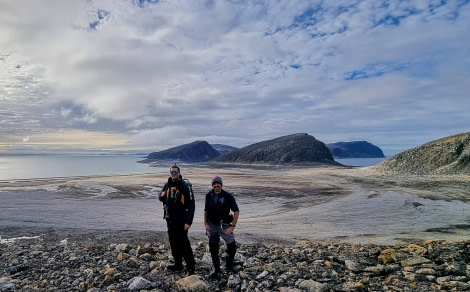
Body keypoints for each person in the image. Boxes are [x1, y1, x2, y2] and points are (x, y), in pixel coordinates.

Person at [158, 164, 196, 275]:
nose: (173, 173)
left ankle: (191, 267)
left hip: (181, 220)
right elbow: (160, 197)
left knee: (184, 243)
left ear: (179, 173)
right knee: (173, 243)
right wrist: (161, 195)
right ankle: (178, 264)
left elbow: (191, 205)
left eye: (175, 171)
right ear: (170, 172)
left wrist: (188, 221)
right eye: (172, 171)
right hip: (170, 220)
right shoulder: (167, 184)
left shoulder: (185, 185)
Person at [204, 176, 240, 279]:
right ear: (212, 185)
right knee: (213, 247)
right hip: (212, 225)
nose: (216, 185)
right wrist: (205, 224)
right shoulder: (208, 195)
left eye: (218, 183)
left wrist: (233, 226)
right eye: (214, 184)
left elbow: (236, 211)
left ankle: (229, 265)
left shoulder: (228, 196)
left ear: (221, 184)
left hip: (224, 225)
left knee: (232, 245)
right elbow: (206, 210)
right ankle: (217, 269)